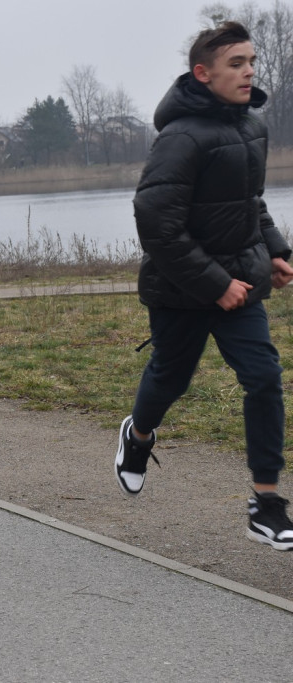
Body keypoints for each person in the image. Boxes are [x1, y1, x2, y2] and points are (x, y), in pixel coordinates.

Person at [114, 21, 293, 551]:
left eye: (251, 62)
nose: (248, 72)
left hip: (241, 283)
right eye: (236, 64)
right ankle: (137, 436)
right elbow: (156, 221)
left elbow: (249, 203)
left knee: (264, 378)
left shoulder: (251, 128)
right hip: (180, 290)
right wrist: (215, 285)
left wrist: (277, 252)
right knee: (170, 378)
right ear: (203, 73)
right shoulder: (181, 137)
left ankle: (266, 504)